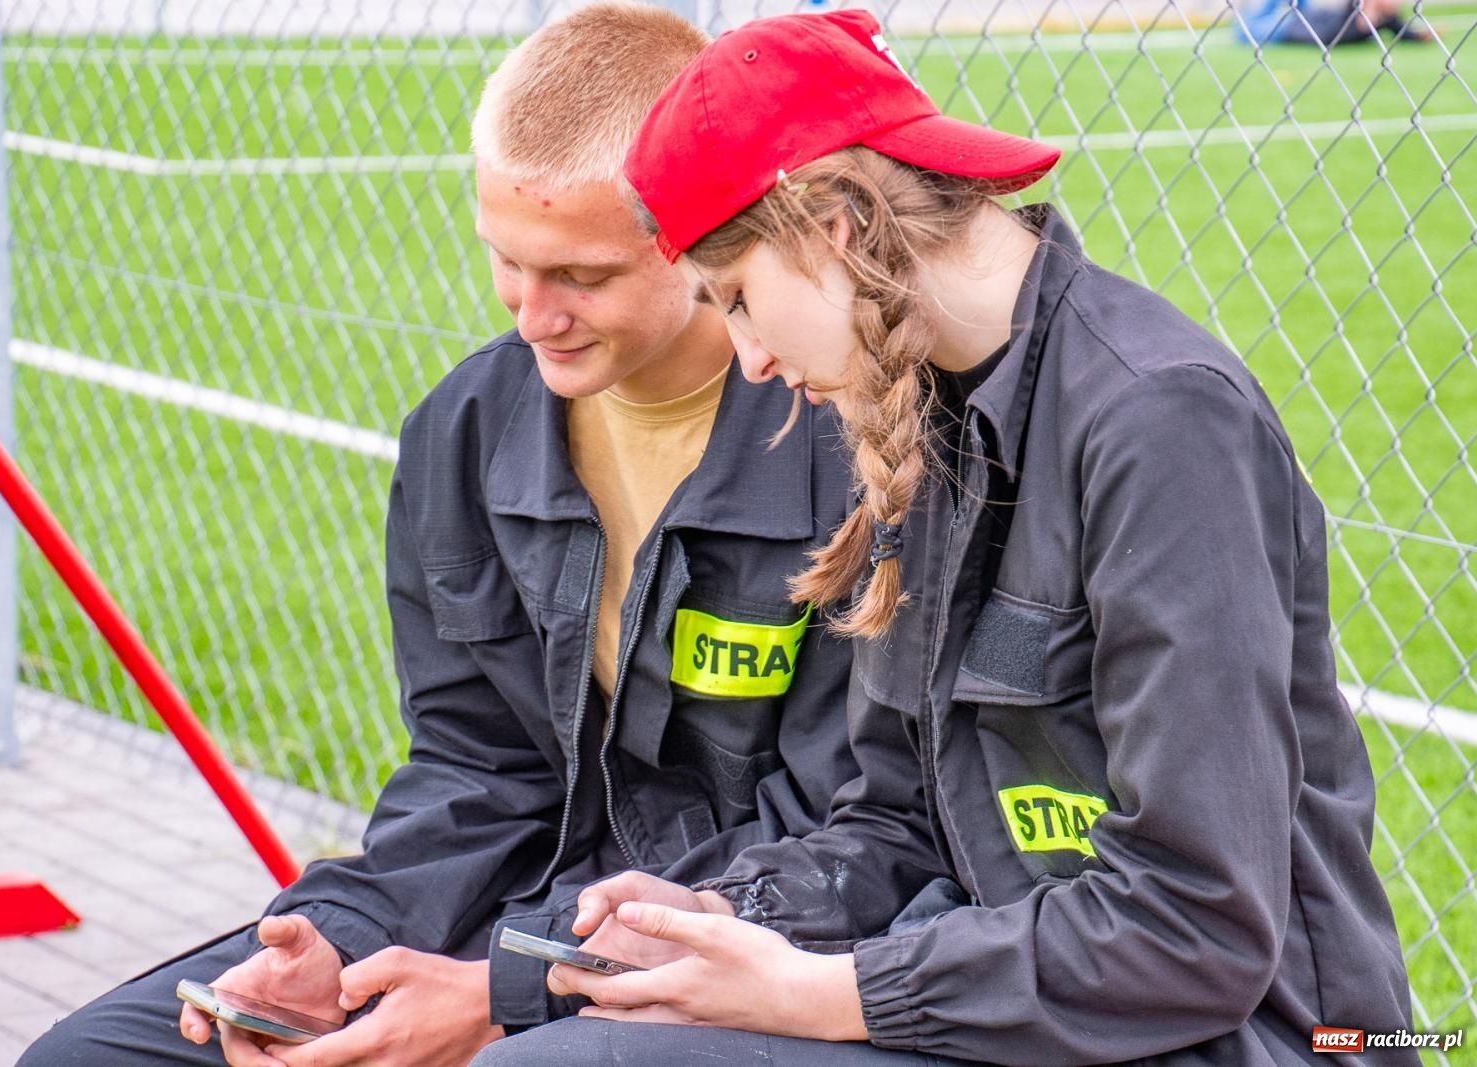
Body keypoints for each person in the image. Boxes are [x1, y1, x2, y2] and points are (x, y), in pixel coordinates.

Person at [471, 9, 1416, 1065]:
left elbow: (1195, 930)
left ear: (827, 225)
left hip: (1259, 1037)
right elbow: (897, 824)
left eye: (737, 299)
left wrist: (825, 993)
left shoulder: (1160, 421)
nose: (749, 361)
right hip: (1009, 1007)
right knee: (578, 1024)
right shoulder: (922, 420)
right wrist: (724, 913)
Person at [16, 5, 864, 1066]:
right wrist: (337, 941)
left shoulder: (852, 448)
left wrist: (513, 991)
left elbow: (850, 834)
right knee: (94, 1055)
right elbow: (476, 766)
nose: (529, 314)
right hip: (527, 904)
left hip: (749, 936)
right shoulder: (467, 429)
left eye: (581, 276)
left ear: (702, 238)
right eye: (506, 259)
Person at [1235, 0, 1432, 47]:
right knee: (1244, 33)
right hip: (1299, 26)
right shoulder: (1357, 9)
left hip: (1305, 26)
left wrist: (1423, 35)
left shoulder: (1385, 20)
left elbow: (1403, 32)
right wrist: (1368, 7)